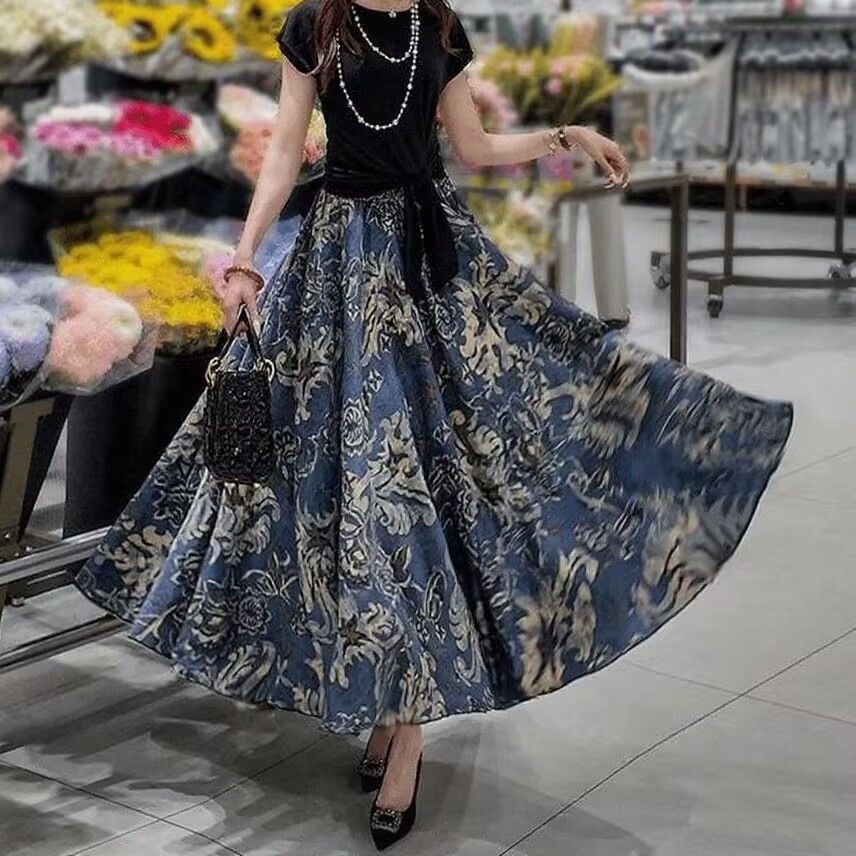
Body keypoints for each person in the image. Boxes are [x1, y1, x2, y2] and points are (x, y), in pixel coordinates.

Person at [75, 0, 794, 849]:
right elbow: (285, 148)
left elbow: (474, 148)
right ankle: (395, 710)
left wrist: (566, 135)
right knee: (363, 496)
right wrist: (245, 259)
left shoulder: (436, 25)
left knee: (444, 476)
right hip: (337, 274)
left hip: (429, 269)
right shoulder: (317, 24)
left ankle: (403, 727)